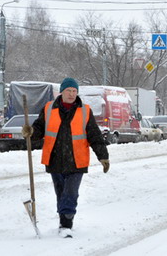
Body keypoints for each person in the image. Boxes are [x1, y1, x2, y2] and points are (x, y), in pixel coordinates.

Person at [22, 77, 110, 238]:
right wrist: (31, 132)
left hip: (77, 160)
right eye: (68, 90)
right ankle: (64, 221)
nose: (71, 94)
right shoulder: (49, 108)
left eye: (74, 91)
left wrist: (103, 156)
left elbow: (95, 135)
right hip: (54, 158)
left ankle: (66, 225)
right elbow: (39, 128)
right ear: (62, 91)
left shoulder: (85, 110)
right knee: (61, 192)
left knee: (70, 193)